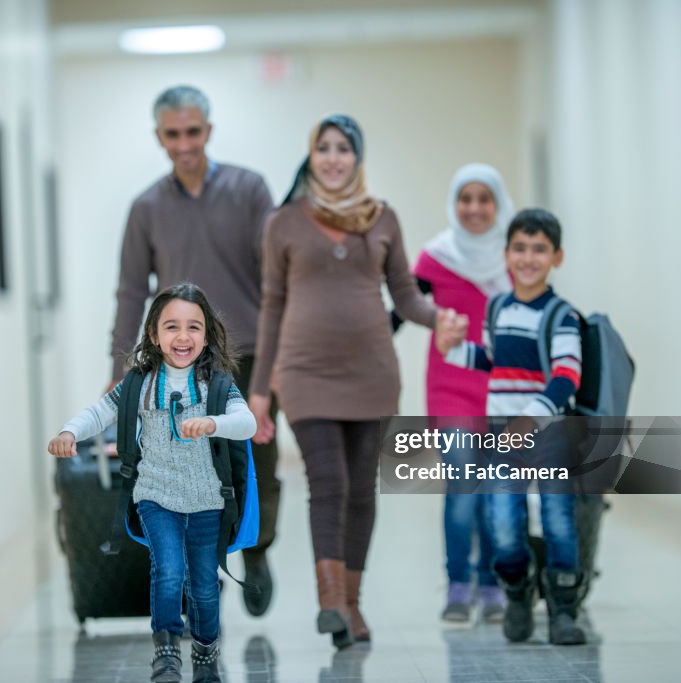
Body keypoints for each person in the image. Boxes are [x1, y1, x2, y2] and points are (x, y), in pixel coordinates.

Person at [248, 114, 449, 648]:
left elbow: (405, 295)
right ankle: (330, 599)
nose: (334, 157)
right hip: (304, 372)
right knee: (328, 482)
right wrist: (261, 390)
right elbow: (271, 306)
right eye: (324, 148)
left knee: (362, 491)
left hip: (372, 372)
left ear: (357, 158)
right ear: (311, 156)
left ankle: (351, 607)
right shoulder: (283, 223)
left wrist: (440, 319)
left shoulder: (382, 219)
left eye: (344, 148)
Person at [108, 85, 281, 616]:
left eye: (192, 132)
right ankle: (205, 576)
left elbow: (277, 286)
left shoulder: (250, 191)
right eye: (172, 134)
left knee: (255, 466)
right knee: (185, 470)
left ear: (208, 130)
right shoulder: (146, 208)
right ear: (160, 137)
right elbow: (131, 292)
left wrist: (268, 380)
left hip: (246, 353)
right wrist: (120, 375)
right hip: (179, 360)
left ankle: (255, 550)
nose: (184, 144)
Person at [50, 283, 256, 682]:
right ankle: (166, 654)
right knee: (167, 571)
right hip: (156, 495)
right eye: (172, 327)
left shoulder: (217, 384)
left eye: (194, 327)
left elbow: (245, 422)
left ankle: (205, 652)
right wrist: (70, 432)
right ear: (153, 334)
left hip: (207, 498)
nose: (183, 337)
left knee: (203, 583)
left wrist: (214, 422)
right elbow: (99, 413)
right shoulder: (138, 385)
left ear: (208, 334)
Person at [435, 208, 587, 645]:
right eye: (520, 248)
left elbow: (566, 376)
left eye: (539, 249)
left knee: (559, 524)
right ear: (506, 255)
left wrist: (529, 420)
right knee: (502, 525)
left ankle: (562, 610)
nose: (528, 257)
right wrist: (452, 350)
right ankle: (517, 594)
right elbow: (491, 361)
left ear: (556, 257)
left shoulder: (562, 316)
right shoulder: (498, 308)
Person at [393, 163, 513, 625]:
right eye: (466, 198)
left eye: (485, 198)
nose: (475, 208)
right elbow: (403, 309)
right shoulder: (436, 257)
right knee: (464, 485)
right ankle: (459, 583)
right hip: (451, 387)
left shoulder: (512, 256)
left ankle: (492, 582)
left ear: (498, 204)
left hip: (505, 388)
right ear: (454, 203)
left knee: (494, 491)